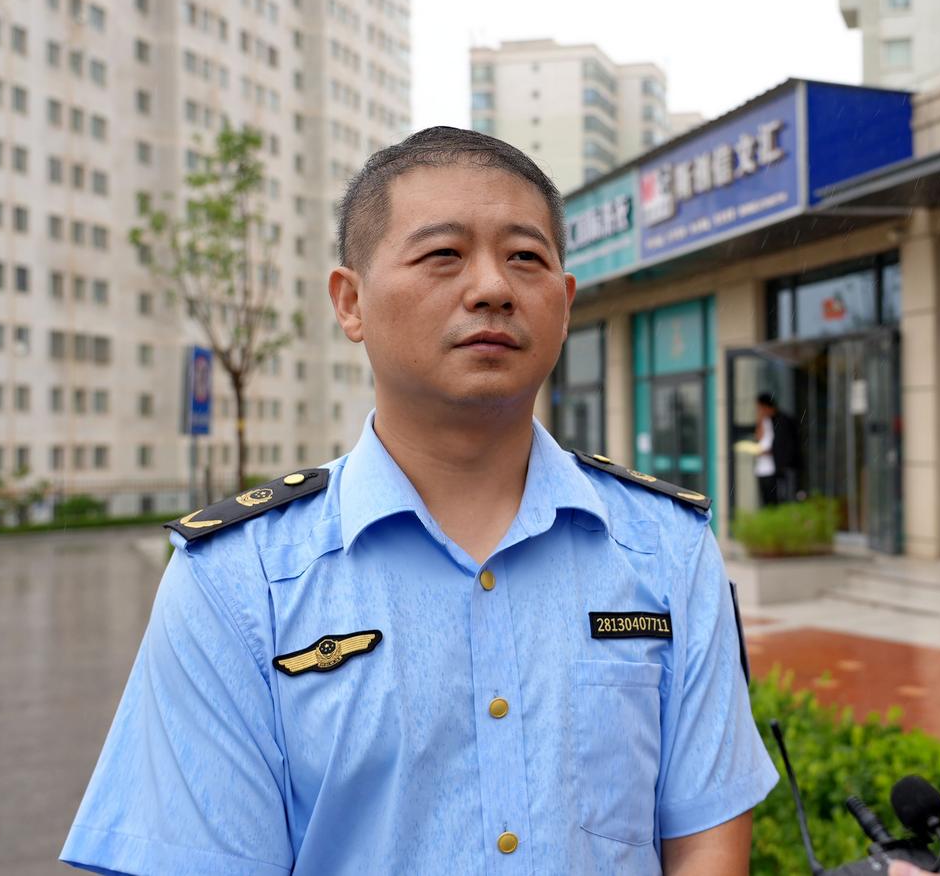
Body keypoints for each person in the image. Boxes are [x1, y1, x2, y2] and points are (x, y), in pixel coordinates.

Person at [61, 127, 777, 875]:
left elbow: (705, 840)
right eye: (443, 254)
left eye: (525, 257)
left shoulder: (667, 547)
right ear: (351, 302)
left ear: (564, 305)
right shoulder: (238, 583)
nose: (493, 287)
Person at [754, 392, 801, 506]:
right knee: (769, 501)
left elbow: (786, 445)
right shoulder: (765, 421)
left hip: (781, 468)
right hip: (769, 468)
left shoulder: (783, 421)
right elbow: (759, 438)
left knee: (783, 499)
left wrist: (772, 452)